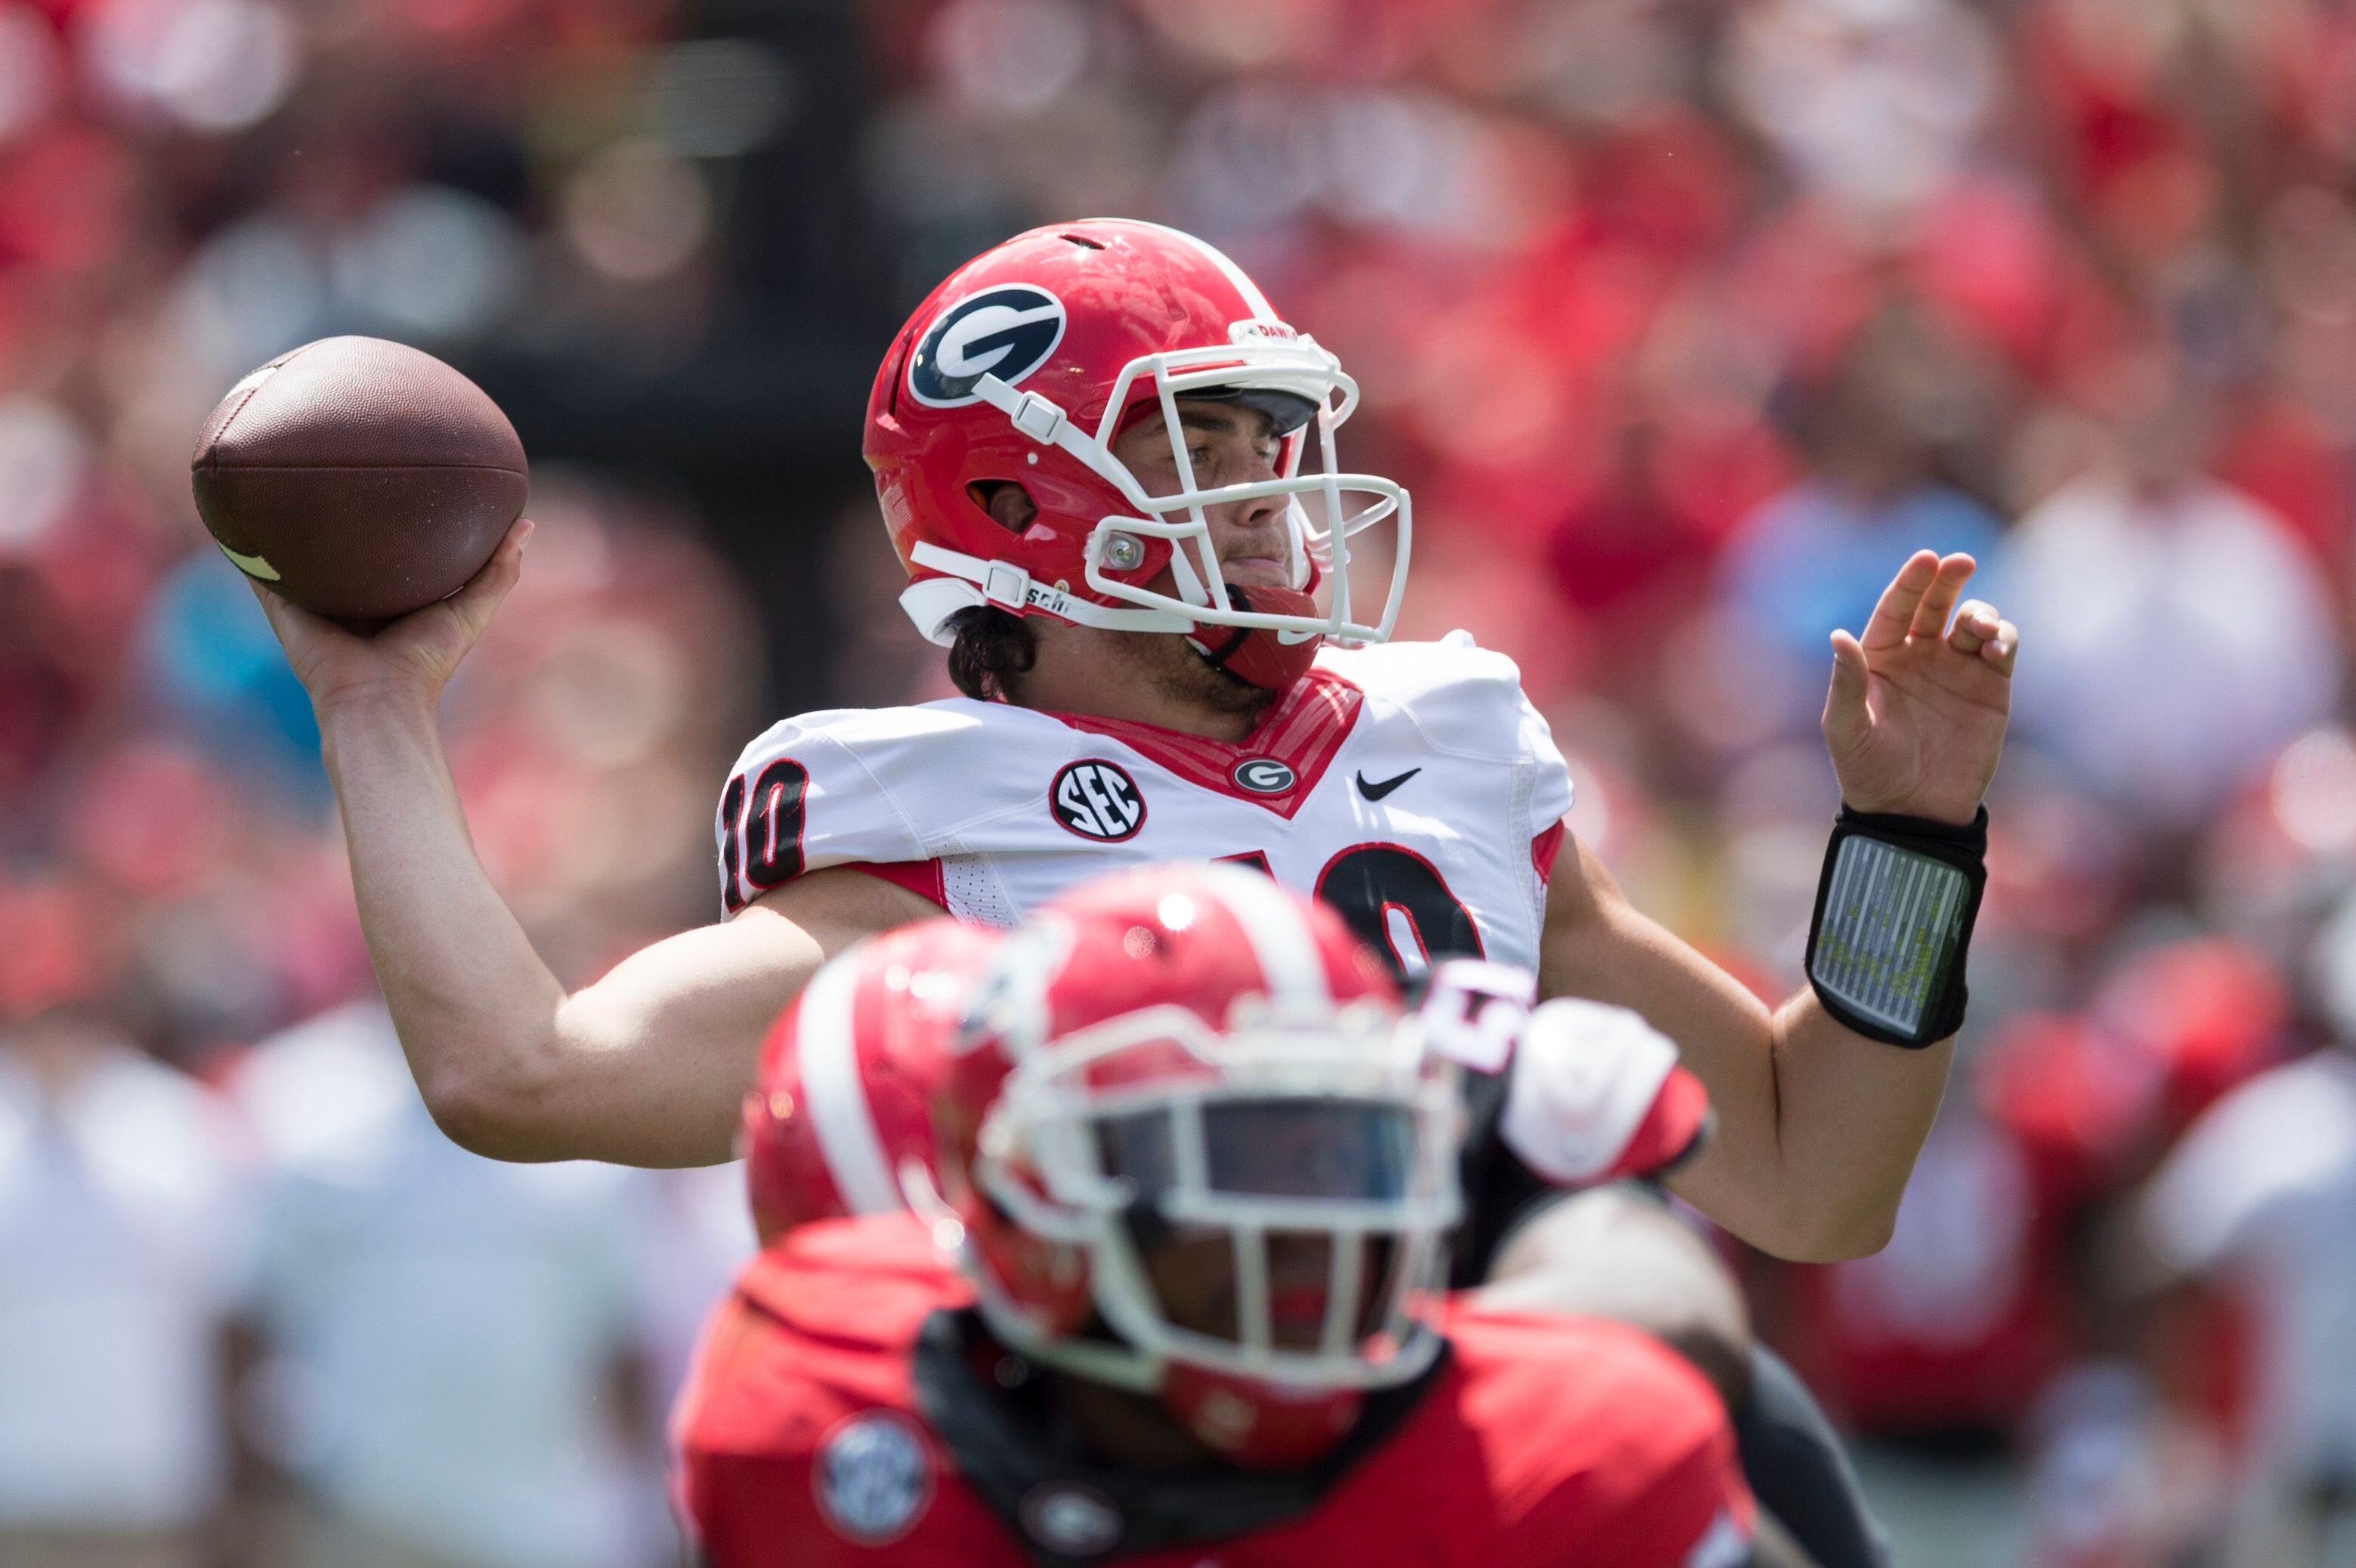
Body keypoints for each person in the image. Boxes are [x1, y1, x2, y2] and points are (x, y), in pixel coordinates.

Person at [250, 218, 2005, 1560]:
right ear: (1015, 499)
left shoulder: (1449, 735)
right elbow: (522, 1070)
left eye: (1270, 439)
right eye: (1203, 447)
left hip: (1495, 1447)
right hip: (1182, 1491)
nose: (1269, 494)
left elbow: (1805, 1174)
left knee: (1745, 1428)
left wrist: (1906, 841)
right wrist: (373, 704)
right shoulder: (924, 825)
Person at [674, 864, 1789, 1566]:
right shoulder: (810, 1418)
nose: (1318, 1225)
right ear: (1036, 1197)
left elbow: (1656, 1335)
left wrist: (1565, 1189)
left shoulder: (1564, 1462)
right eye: (1244, 1157)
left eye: (1343, 1149)